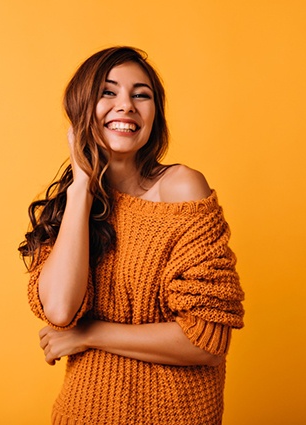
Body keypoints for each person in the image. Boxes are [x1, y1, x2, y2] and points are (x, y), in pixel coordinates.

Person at [19, 46, 245, 425]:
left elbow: (206, 340)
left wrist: (89, 334)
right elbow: (59, 311)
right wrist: (81, 189)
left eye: (141, 94)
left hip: (175, 416)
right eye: (108, 92)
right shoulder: (70, 206)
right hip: (80, 414)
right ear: (80, 110)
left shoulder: (182, 190)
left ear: (155, 115)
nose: (126, 105)